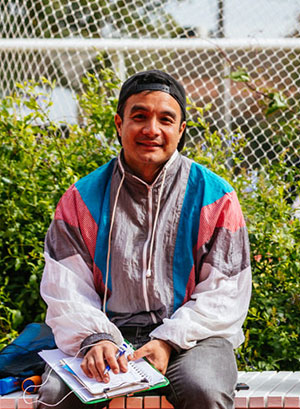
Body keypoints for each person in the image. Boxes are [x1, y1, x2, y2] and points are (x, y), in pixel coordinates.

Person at [37, 70, 252, 408]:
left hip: (193, 338)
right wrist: (96, 339)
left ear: (181, 131)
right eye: (139, 117)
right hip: (105, 332)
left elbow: (226, 291)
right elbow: (65, 287)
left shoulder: (216, 198)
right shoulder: (81, 199)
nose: (152, 129)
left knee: (204, 389)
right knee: (56, 397)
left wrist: (168, 341)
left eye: (166, 119)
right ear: (118, 123)